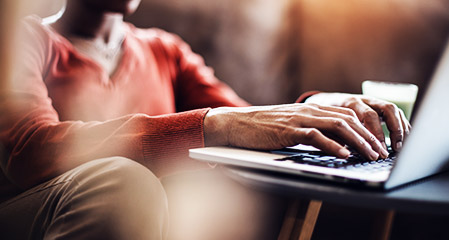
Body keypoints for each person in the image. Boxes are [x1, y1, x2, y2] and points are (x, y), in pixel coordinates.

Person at [0, 0, 410, 239]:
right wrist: (215, 126)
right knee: (123, 182)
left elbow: (253, 122)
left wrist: (320, 105)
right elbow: (30, 151)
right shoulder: (23, 40)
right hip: (28, 212)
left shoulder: (166, 51)